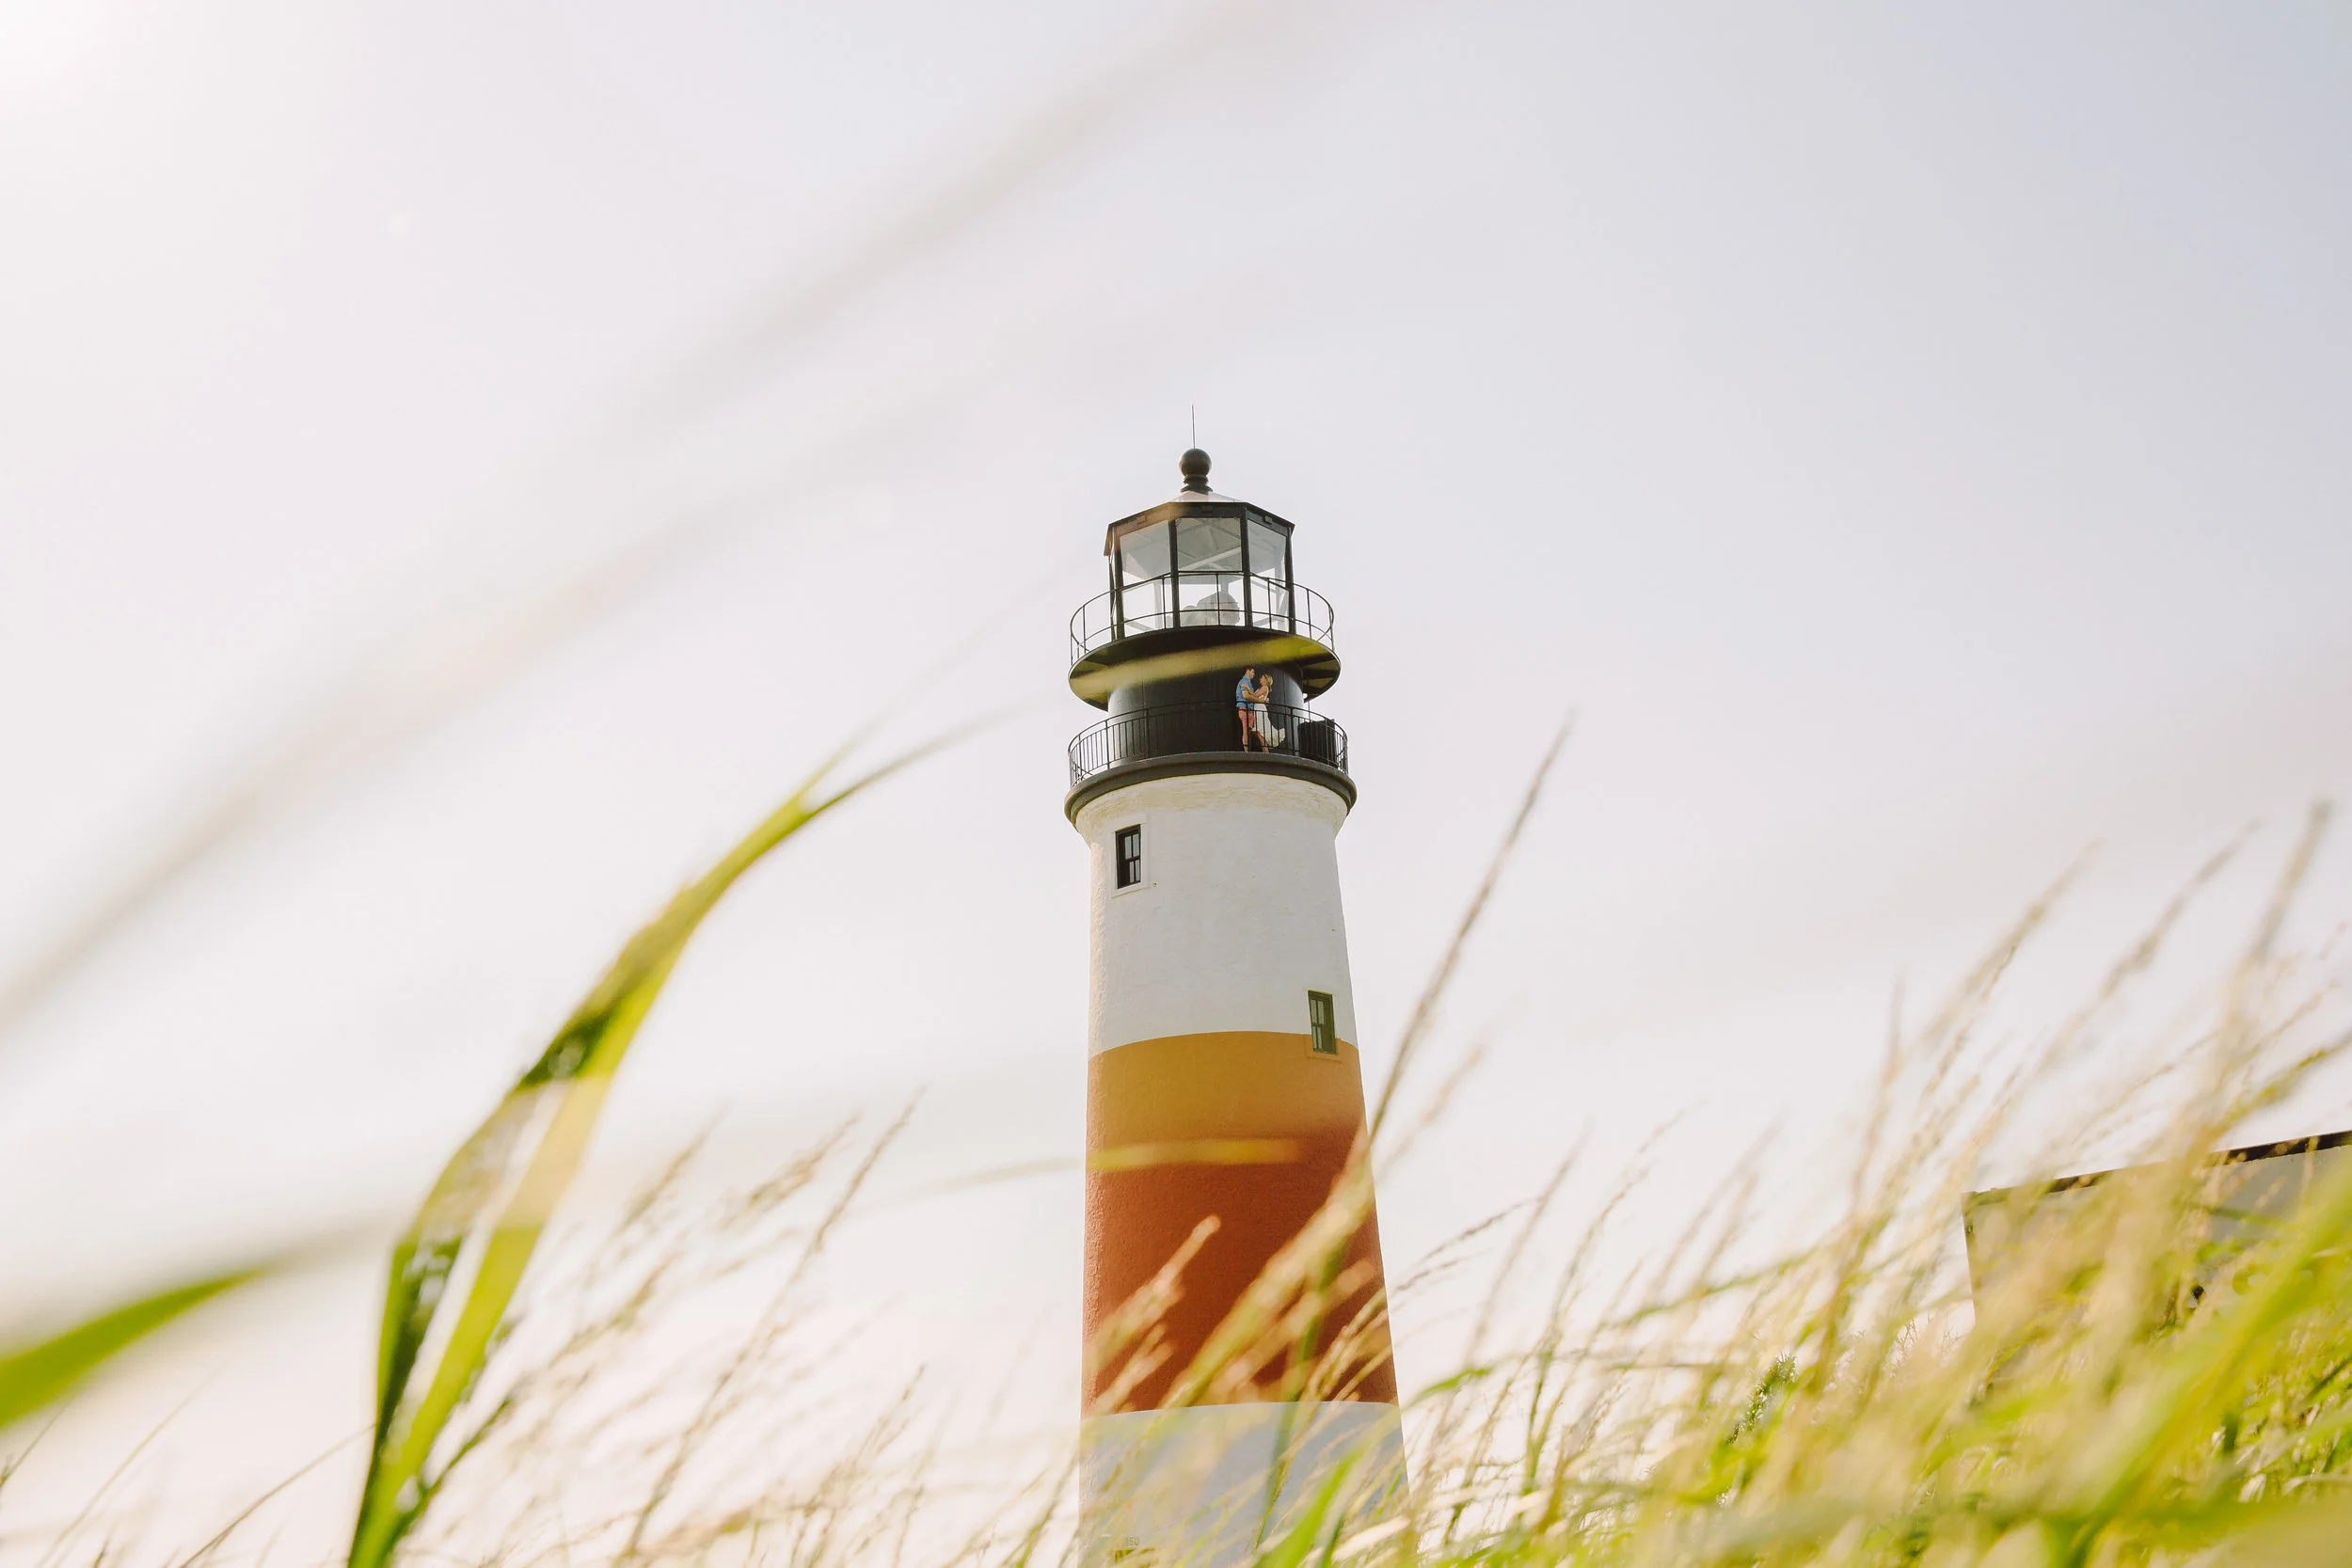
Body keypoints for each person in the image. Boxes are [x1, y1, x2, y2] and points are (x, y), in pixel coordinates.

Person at [1235, 667, 1263, 750]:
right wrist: (1260, 701)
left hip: (1249, 710)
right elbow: (1245, 696)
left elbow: (1250, 695)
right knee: (1246, 731)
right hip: (1245, 709)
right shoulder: (1244, 681)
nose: (1254, 674)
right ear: (1248, 671)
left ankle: (1248, 750)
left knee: (1250, 732)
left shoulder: (1248, 683)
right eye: (1253, 672)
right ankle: (1247, 752)